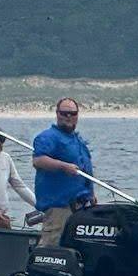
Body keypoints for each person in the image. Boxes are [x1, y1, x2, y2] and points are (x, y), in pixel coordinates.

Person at [31, 98, 95, 245]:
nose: (68, 117)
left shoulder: (78, 141)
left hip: (80, 207)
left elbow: (86, 169)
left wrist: (91, 194)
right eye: (64, 113)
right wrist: (63, 166)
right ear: (57, 114)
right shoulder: (48, 137)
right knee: (52, 244)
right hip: (59, 207)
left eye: (72, 113)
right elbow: (38, 161)